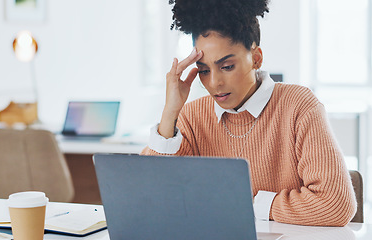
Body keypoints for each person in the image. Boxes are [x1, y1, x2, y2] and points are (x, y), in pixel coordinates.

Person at [141, 0, 356, 227]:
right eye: (204, 70)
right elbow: (148, 195)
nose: (214, 83)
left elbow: (335, 203)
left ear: (256, 58)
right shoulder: (192, 116)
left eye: (227, 66)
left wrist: (248, 205)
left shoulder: (299, 106)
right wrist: (170, 112)